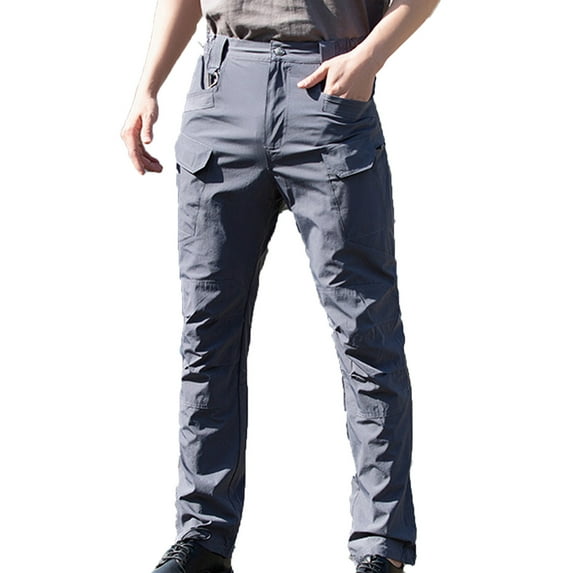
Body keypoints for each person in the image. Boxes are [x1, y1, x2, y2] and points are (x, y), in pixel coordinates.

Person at [120, 1, 439, 571]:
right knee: (207, 338)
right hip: (220, 90)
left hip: (329, 92)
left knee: (366, 336)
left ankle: (381, 544)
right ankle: (203, 535)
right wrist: (148, 85)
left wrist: (369, 56)